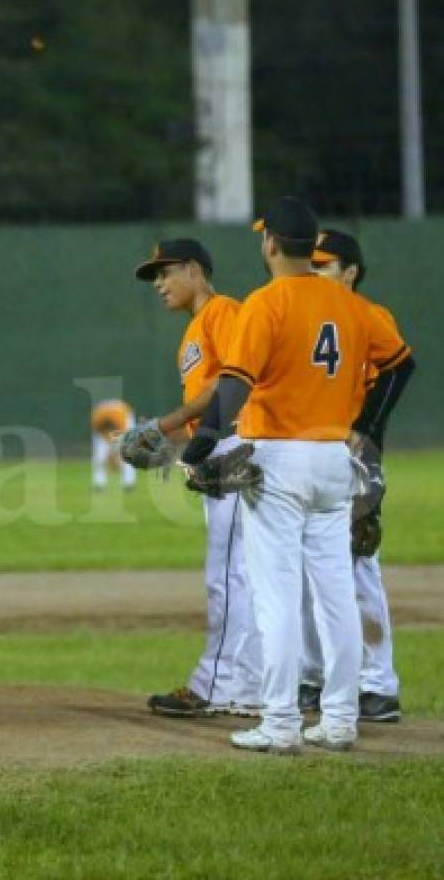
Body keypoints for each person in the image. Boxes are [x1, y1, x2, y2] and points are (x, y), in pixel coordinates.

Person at [181, 197, 415, 754]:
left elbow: (235, 383)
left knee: (276, 596)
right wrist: (369, 426)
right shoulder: (351, 304)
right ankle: (339, 719)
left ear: (269, 244)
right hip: (335, 460)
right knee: (334, 592)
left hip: (278, 460)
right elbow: (400, 363)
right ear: (312, 247)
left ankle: (281, 722)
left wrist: (205, 442)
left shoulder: (267, 303)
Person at [130, 238, 262, 718]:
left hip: (234, 446)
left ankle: (218, 685)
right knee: (239, 574)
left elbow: (230, 382)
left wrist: (163, 425)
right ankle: (247, 685)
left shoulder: (223, 310)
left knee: (228, 575)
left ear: (194, 270)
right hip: (220, 446)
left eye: (165, 273)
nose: (159, 284)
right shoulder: (194, 329)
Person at [299, 229, 413, 723]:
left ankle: (377, 683)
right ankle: (313, 677)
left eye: (324, 264)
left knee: (358, 564)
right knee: (301, 566)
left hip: (352, 454)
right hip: (304, 454)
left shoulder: (368, 315)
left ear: (351, 272)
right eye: (311, 262)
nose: (314, 271)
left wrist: (365, 432)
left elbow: (400, 369)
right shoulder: (303, 314)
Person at [89, 399, 136, 491]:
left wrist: (115, 456)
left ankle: (129, 483)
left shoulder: (121, 418)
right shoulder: (97, 418)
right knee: (99, 456)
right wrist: (110, 457)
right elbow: (100, 436)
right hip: (107, 424)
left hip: (125, 421)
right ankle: (99, 484)